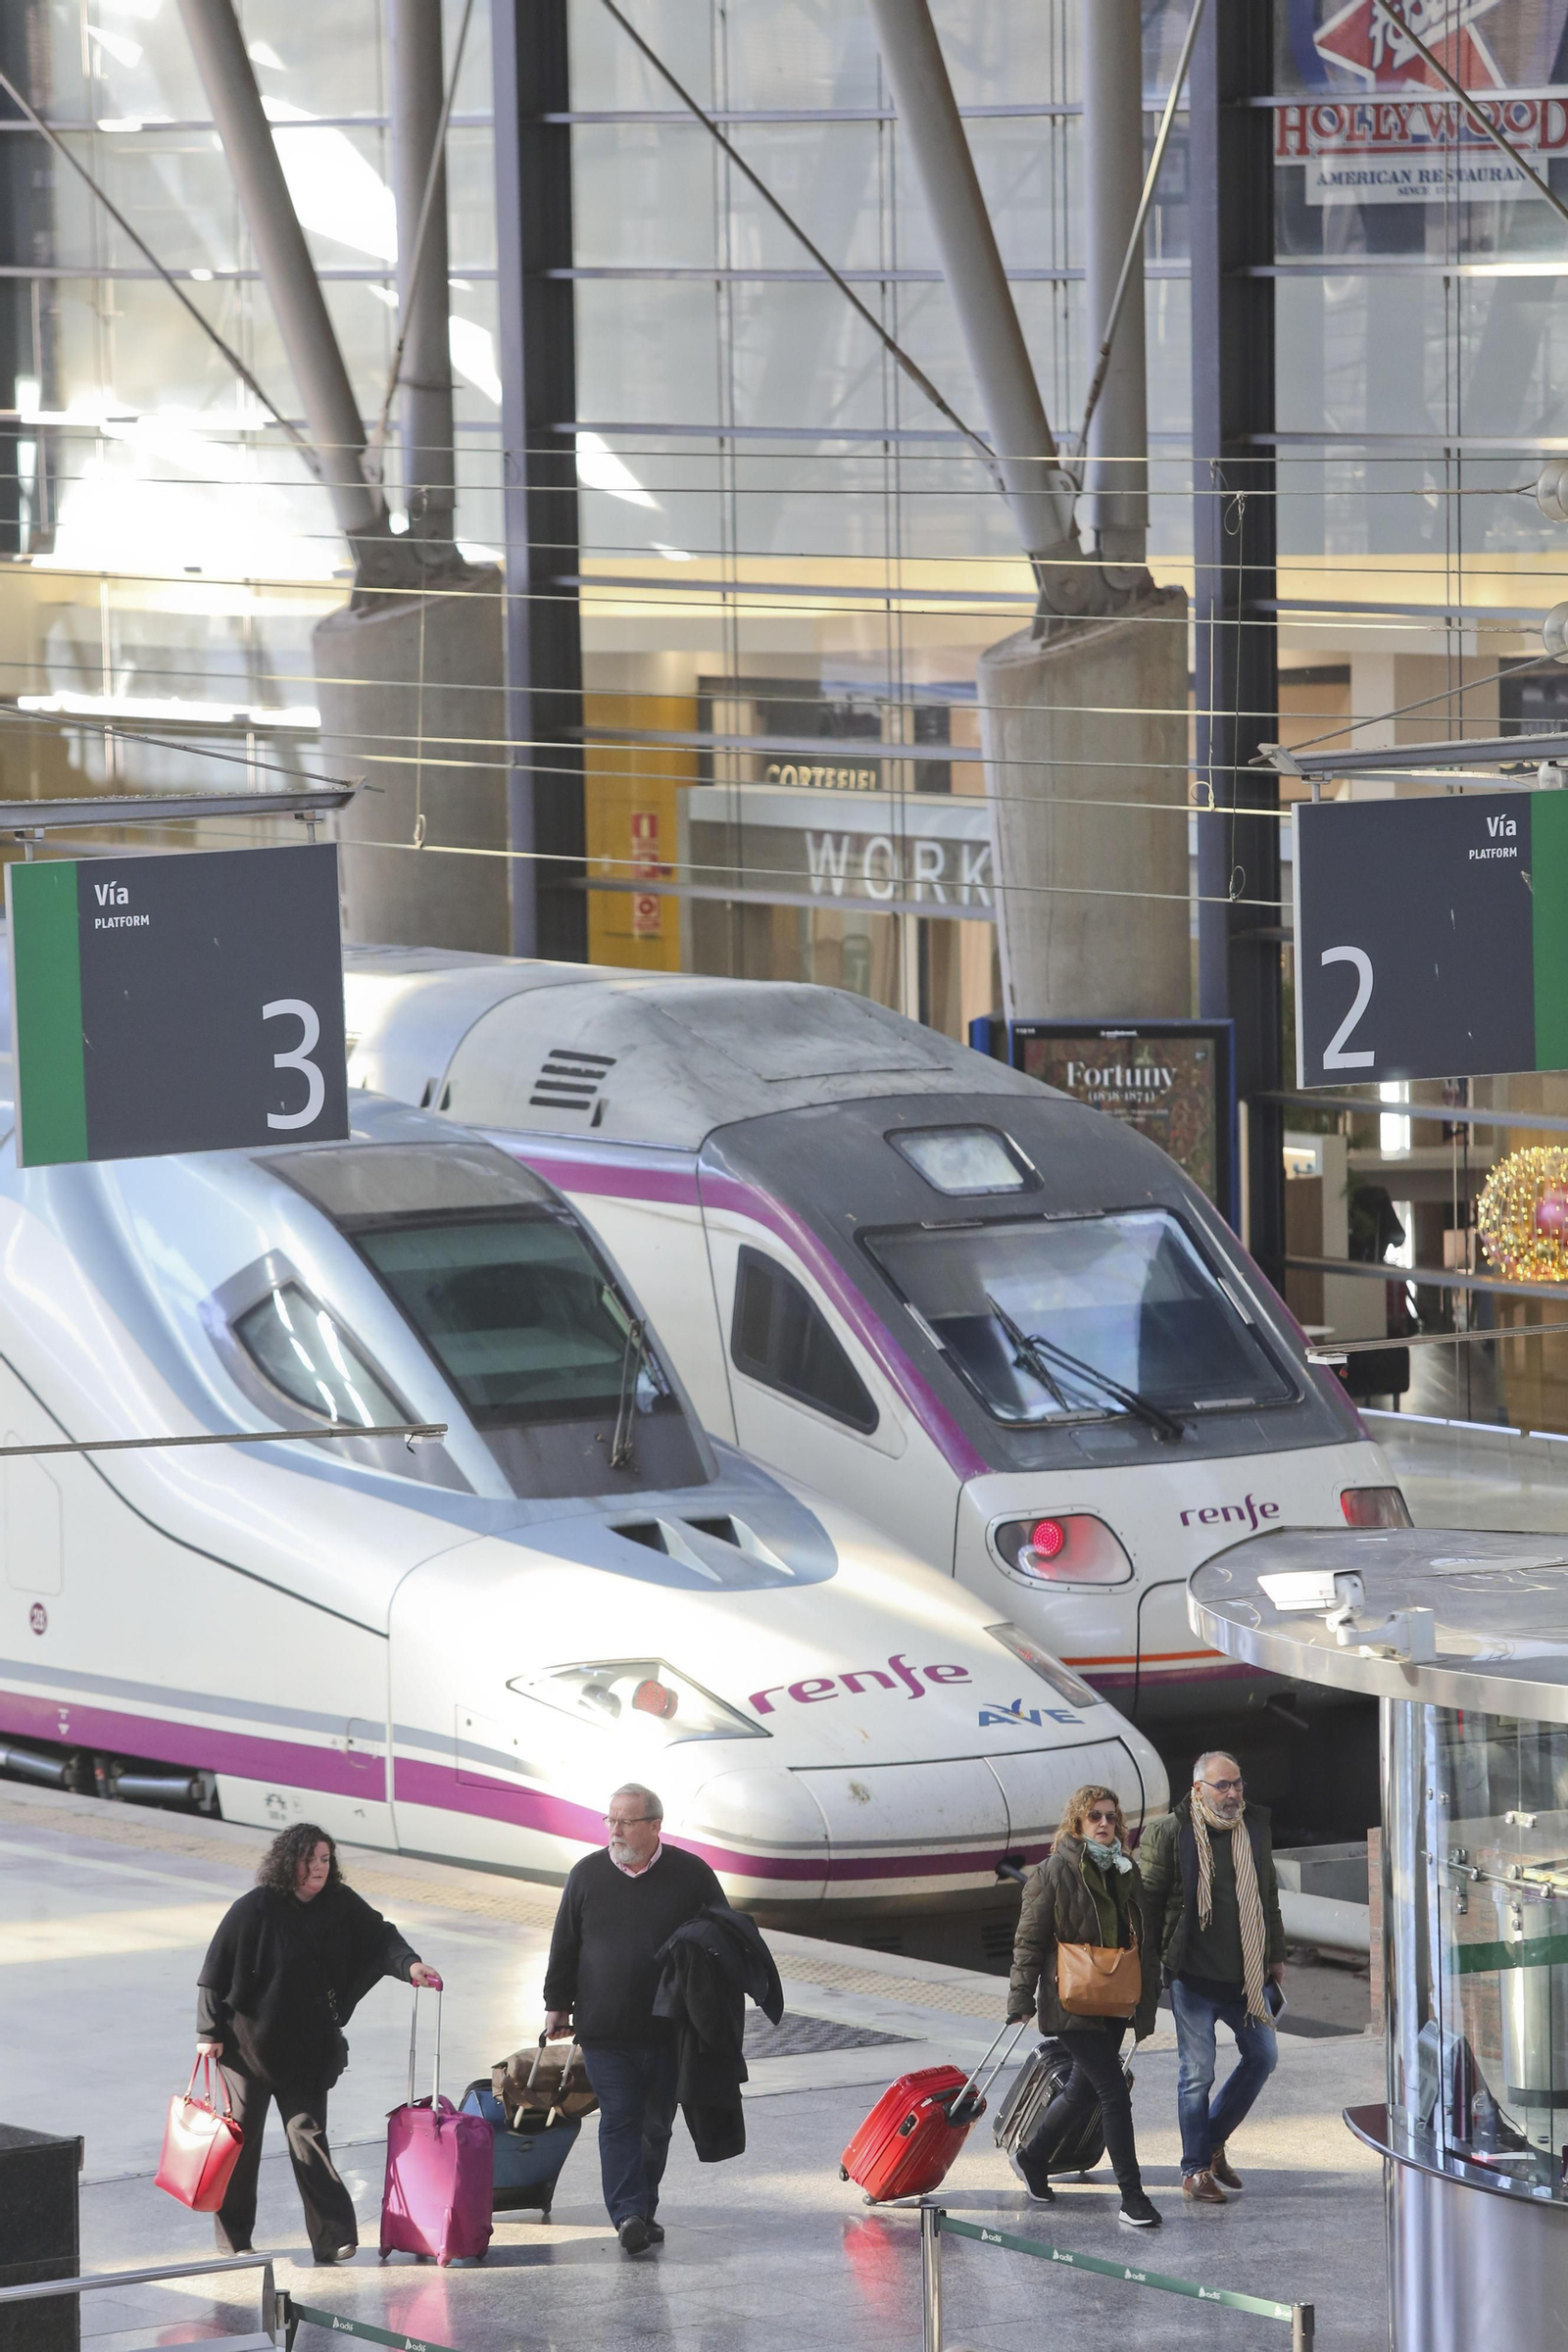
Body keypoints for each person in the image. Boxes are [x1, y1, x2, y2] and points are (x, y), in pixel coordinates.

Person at [195, 1822, 441, 2264]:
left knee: (308, 2136)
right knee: (242, 2142)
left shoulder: (339, 1904)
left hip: (306, 2049)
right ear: (286, 1863)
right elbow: (215, 1971)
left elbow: (380, 1937)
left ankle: (333, 2237)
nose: (319, 1868)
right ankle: (234, 2238)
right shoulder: (254, 1909)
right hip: (247, 2049)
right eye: (309, 1860)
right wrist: (208, 2032)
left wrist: (410, 1966)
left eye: (325, 1859)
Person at [542, 1782, 727, 2255]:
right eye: (611, 1820)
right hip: (604, 2028)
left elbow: (724, 1937)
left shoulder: (691, 1874)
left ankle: (644, 2210)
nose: (616, 1830)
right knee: (619, 2118)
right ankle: (627, 2214)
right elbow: (565, 1943)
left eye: (626, 1821)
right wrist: (556, 2005)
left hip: (669, 2031)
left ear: (655, 1825)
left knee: (656, 2126)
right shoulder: (587, 1874)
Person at [1005, 1783, 1162, 2229]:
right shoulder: (1052, 1872)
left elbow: (1143, 1938)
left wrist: (1150, 1989)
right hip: (1071, 1997)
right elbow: (1028, 1941)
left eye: (1111, 1817)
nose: (1104, 1823)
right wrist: (1021, 1997)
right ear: (1077, 1821)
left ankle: (1033, 2157)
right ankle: (1132, 2197)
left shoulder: (1125, 1870)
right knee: (1113, 2092)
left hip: (1114, 1995)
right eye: (1094, 1816)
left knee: (1083, 2089)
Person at [1137, 1749, 1286, 2206]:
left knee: (1263, 2057)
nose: (1233, 1793)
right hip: (1193, 1977)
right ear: (1198, 1789)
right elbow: (1146, 1904)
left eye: (1238, 1784)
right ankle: (1195, 2170)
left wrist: (1276, 1956)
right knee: (1197, 2074)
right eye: (1223, 1785)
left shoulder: (1252, 1827)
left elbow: (1267, 1895)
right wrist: (1147, 1968)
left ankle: (1212, 2140)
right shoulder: (1170, 1831)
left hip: (1246, 1977)